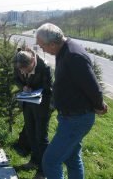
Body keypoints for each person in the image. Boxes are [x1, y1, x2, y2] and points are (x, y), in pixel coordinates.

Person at [36, 23, 108, 179]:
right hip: (70, 117)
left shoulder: (73, 55)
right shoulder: (63, 51)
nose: (43, 50)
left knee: (50, 161)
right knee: (72, 158)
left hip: (76, 119)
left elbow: (92, 86)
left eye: (43, 47)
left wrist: (99, 105)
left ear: (53, 44)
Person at [14, 48, 52, 178]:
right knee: (30, 133)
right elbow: (16, 79)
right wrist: (22, 87)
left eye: (26, 69)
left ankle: (43, 170)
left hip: (42, 106)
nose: (23, 72)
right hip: (27, 104)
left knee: (41, 137)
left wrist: (36, 91)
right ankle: (34, 161)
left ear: (33, 62)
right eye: (21, 69)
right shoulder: (18, 62)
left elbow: (50, 90)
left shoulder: (44, 67)